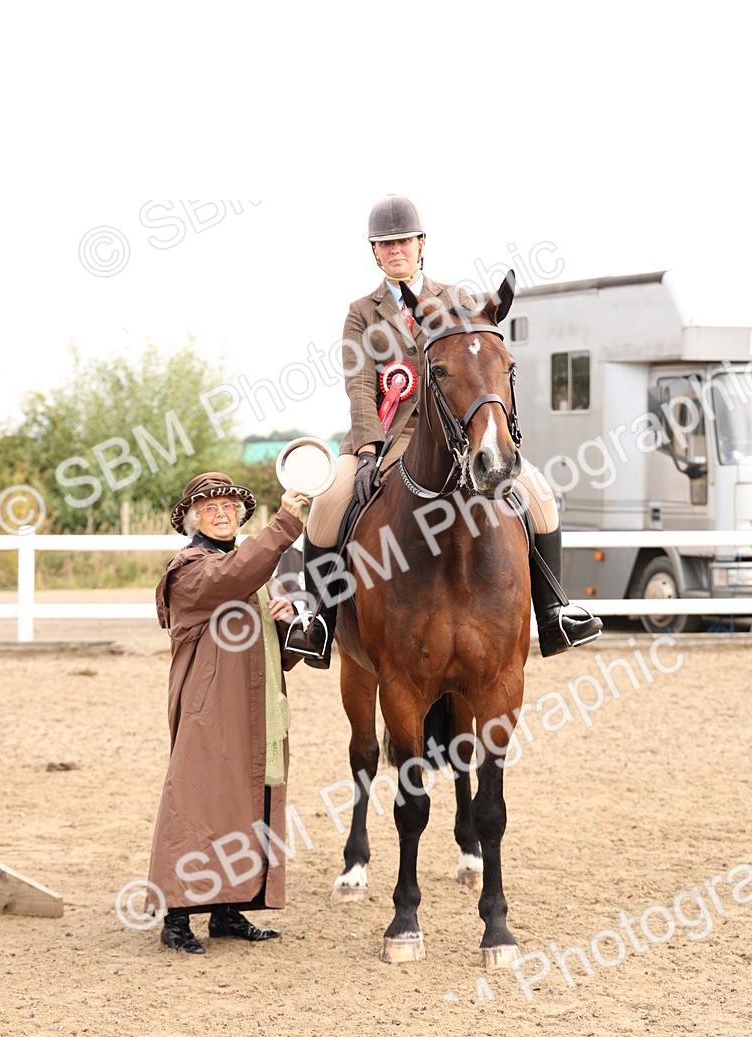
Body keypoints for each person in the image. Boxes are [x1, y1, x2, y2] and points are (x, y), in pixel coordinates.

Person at [285, 194, 602, 667]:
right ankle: (320, 623)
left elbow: (480, 372)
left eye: (404, 241)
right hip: (385, 434)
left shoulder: (458, 299)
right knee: (327, 507)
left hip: (455, 434)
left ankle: (554, 613)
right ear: (375, 252)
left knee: (539, 497)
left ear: (421, 243)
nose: (396, 250)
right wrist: (369, 447)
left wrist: (486, 431)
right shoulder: (360, 312)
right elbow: (358, 382)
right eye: (385, 244)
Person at [148, 471, 308, 954]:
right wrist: (285, 523)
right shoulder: (190, 567)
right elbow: (230, 578)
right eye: (211, 509)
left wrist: (283, 623)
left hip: (253, 706)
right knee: (196, 802)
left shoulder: (252, 573)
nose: (221, 515)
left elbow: (274, 654)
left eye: (229, 509)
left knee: (245, 800)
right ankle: (176, 917)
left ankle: (228, 910)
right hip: (209, 707)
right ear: (194, 519)